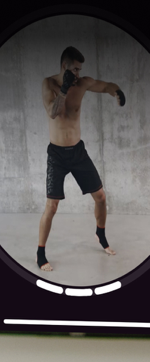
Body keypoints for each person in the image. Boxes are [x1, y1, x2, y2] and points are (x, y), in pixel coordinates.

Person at [38, 45, 125, 272]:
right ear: (64, 66)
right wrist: (64, 90)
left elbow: (105, 85)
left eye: (79, 70)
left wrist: (117, 91)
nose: (77, 74)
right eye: (74, 69)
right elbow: (53, 112)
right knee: (52, 206)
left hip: (78, 152)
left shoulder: (82, 83)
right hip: (57, 155)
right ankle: (40, 253)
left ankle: (100, 234)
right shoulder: (49, 84)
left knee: (101, 197)